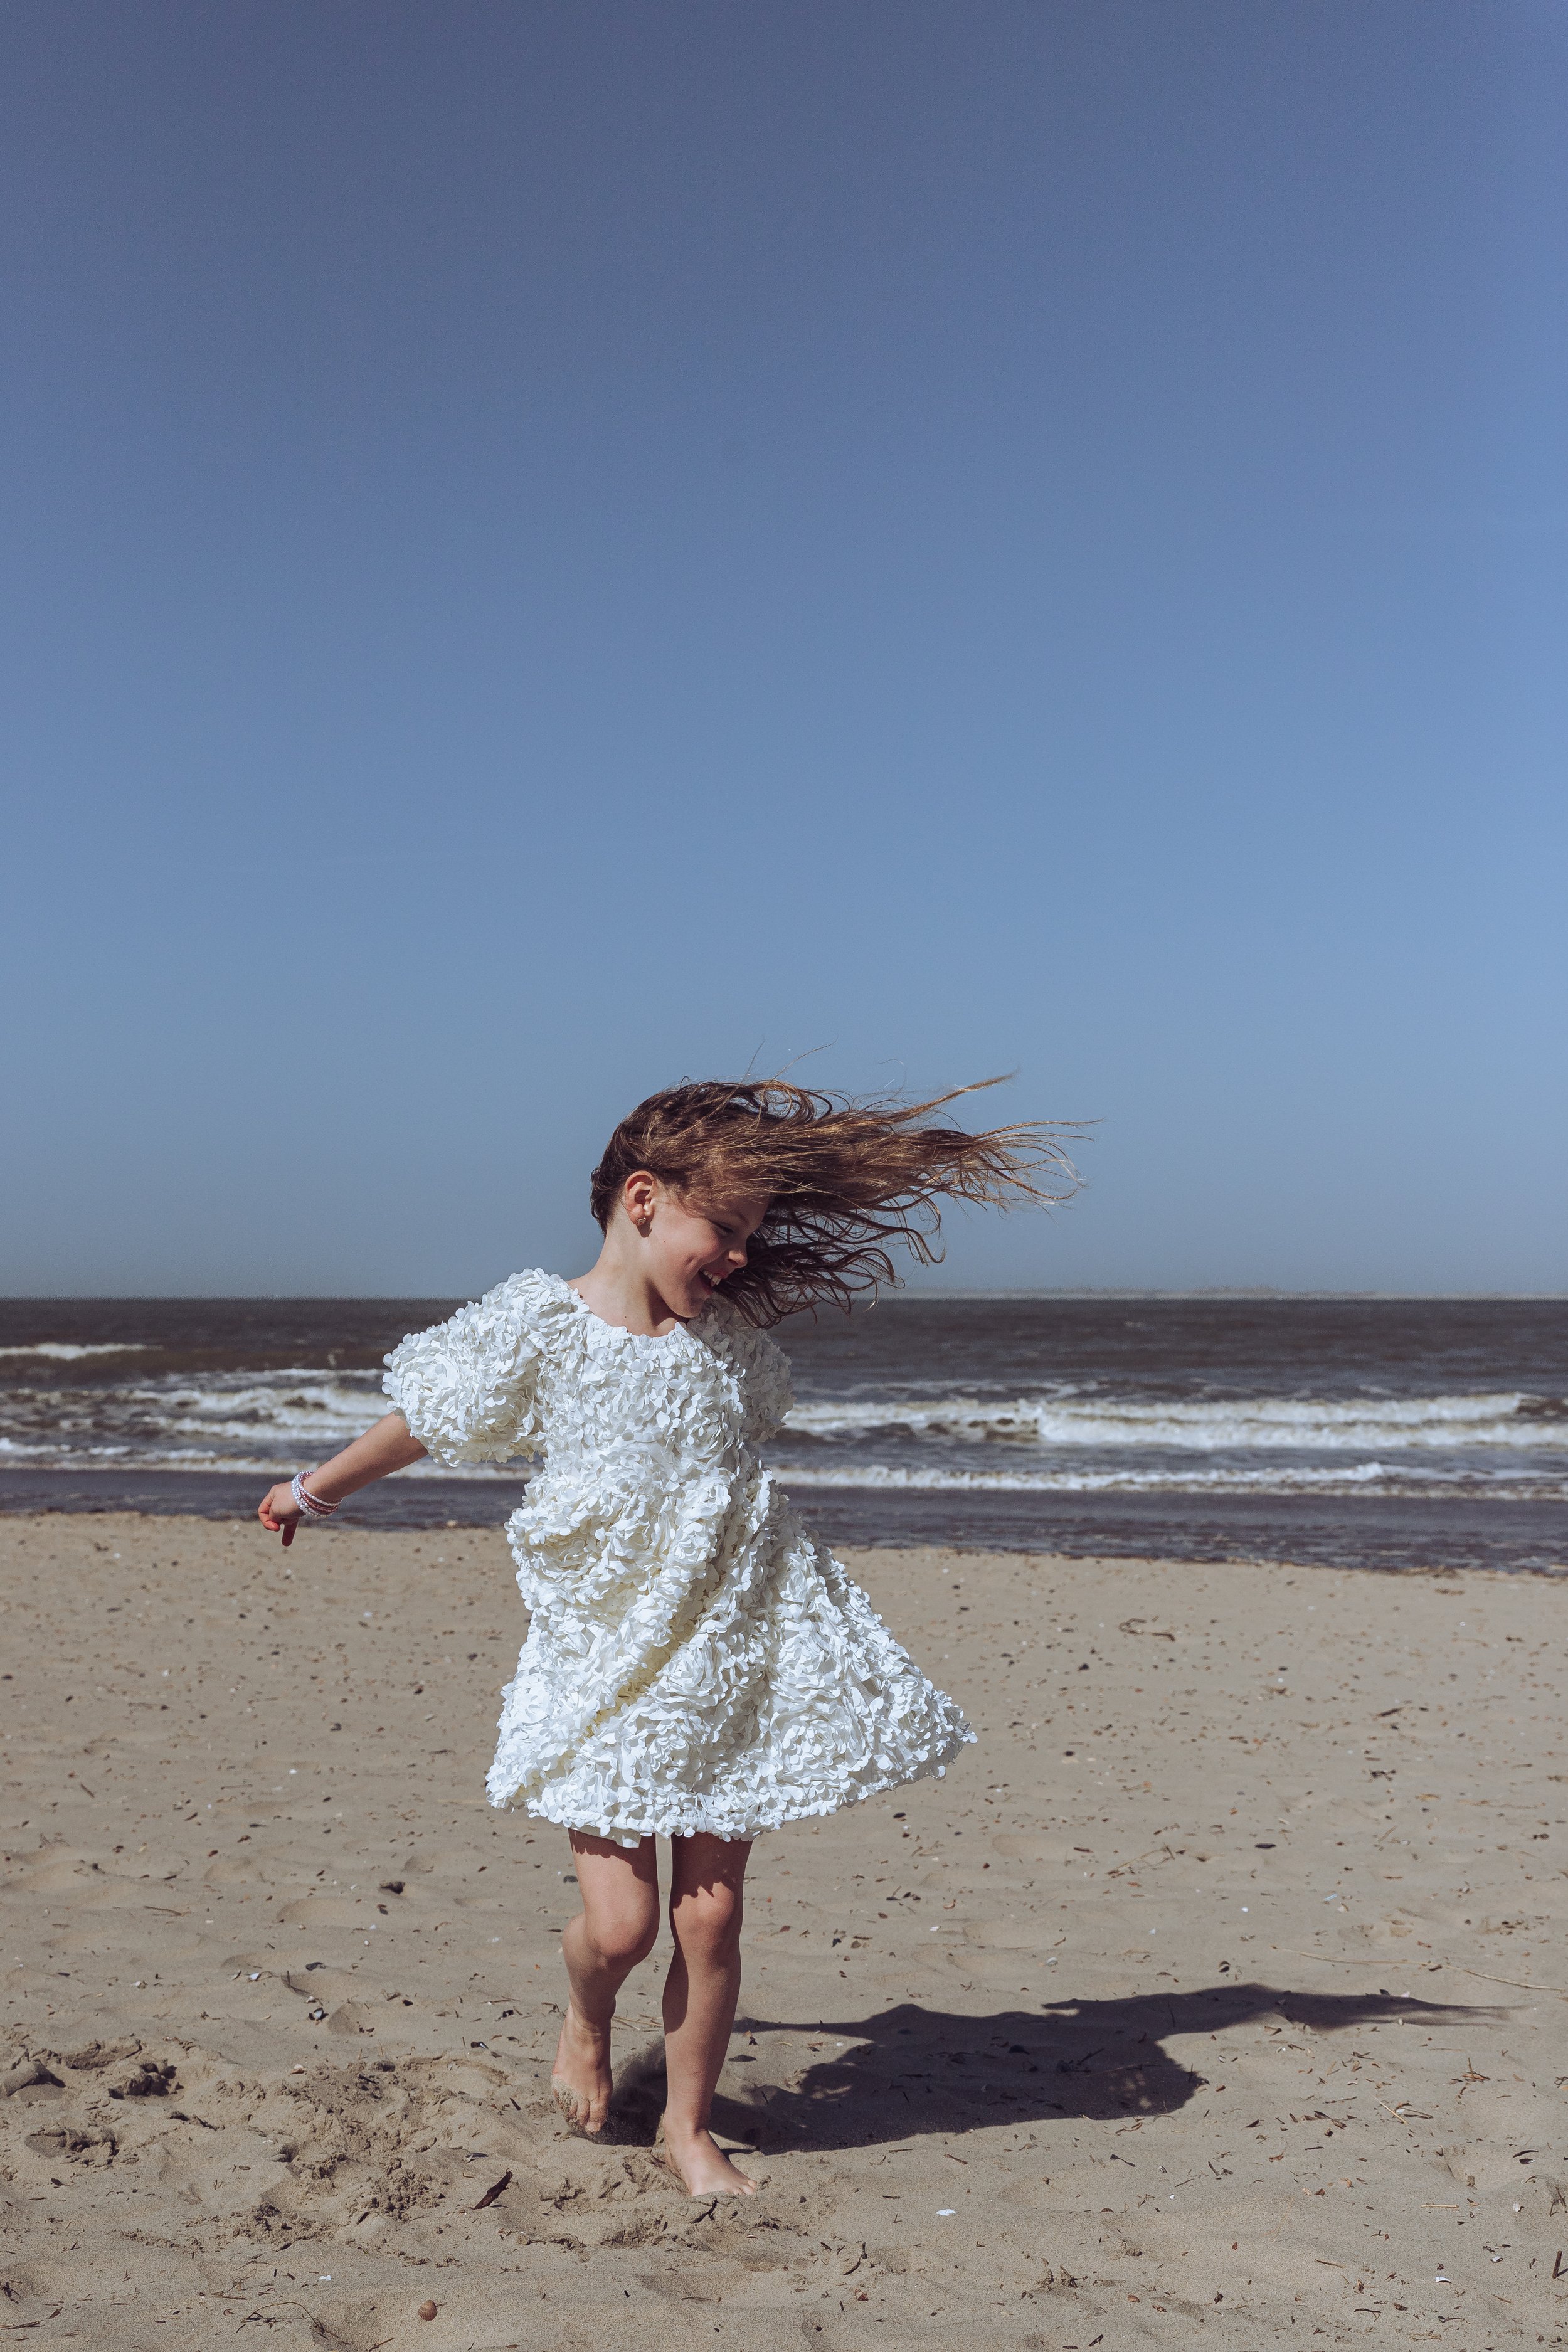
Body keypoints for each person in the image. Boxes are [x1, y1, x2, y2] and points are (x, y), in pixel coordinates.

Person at [258, 1077, 1071, 2196]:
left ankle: (689, 2129)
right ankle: (585, 2020)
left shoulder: (727, 1342)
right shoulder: (537, 1324)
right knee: (625, 1924)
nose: (737, 1257)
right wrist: (314, 1489)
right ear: (643, 1200)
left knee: (713, 1914)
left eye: (747, 1237)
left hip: (732, 1648)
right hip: (602, 1660)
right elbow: (427, 1419)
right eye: (722, 1231)